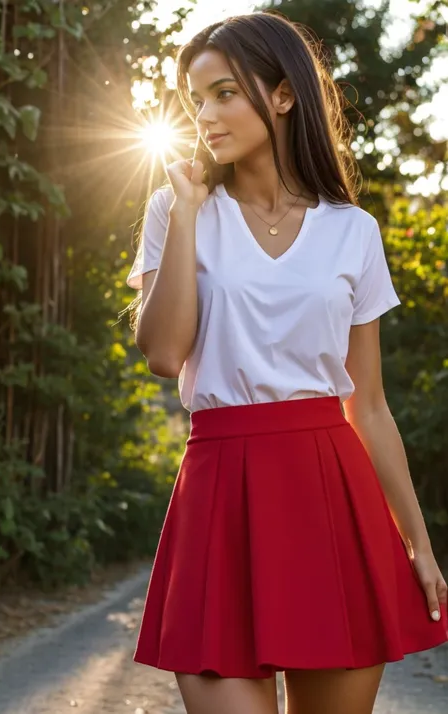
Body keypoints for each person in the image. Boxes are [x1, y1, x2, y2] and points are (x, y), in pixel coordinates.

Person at [126, 11, 448, 714]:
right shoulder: (176, 209)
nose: (205, 115)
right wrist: (184, 213)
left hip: (331, 494)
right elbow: (163, 354)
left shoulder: (353, 231)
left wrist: (417, 543)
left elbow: (368, 406)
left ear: (282, 94)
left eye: (223, 93)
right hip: (219, 489)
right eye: (195, 100)